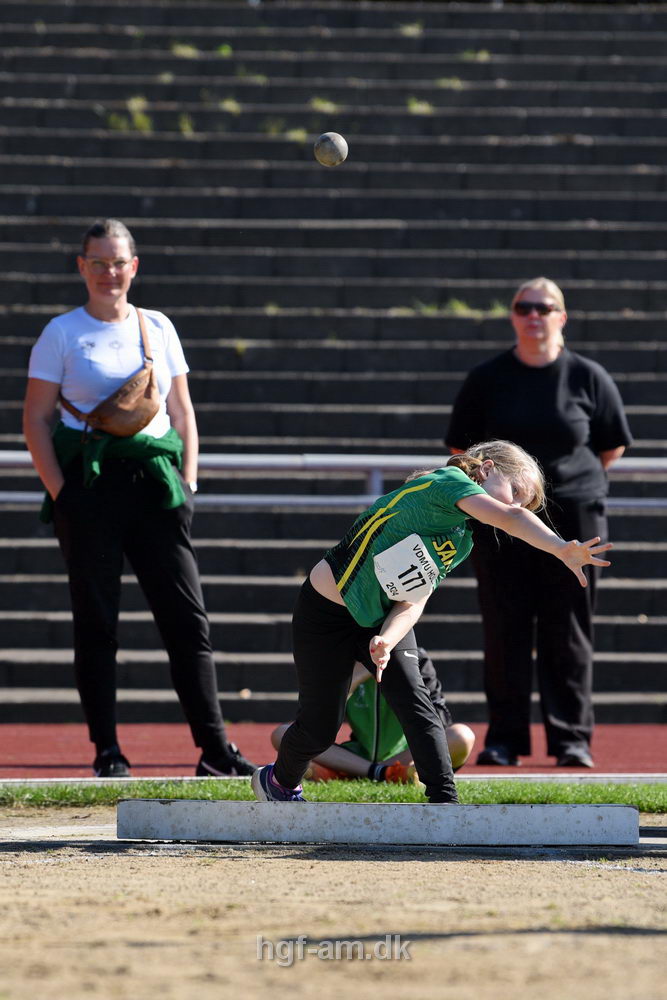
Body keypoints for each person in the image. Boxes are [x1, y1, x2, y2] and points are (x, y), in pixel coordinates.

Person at [251, 440, 612, 804]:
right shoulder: (446, 482)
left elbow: (414, 598)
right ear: (486, 469)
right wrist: (561, 548)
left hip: (380, 620)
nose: (516, 505)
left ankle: (445, 803)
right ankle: (277, 782)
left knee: (417, 705)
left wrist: (387, 640)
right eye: (515, 491)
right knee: (319, 727)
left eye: (524, 502)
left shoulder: (462, 540)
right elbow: (511, 518)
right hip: (325, 614)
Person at [22, 218, 256, 779]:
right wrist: (63, 493)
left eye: (118, 261)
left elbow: (183, 412)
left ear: (135, 266)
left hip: (157, 489)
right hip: (91, 488)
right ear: (82, 267)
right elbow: (35, 418)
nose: (109, 272)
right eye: (98, 262)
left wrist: (189, 483)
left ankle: (214, 750)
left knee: (187, 622)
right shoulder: (61, 333)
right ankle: (108, 752)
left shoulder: (157, 326)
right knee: (97, 625)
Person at [446, 277, 632, 769]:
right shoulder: (487, 378)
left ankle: (572, 740)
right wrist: (508, 501)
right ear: (513, 316)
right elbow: (461, 452)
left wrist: (557, 493)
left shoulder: (588, 377)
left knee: (568, 630)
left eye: (544, 307)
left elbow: (609, 446)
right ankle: (504, 739)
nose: (534, 315)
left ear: (561, 317)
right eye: (524, 307)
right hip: (501, 522)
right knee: (504, 629)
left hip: (575, 515)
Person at [270, 649, 476, 782]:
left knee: (462, 736)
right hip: (358, 753)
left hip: (407, 754)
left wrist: (400, 674)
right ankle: (385, 774)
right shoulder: (340, 661)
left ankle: (349, 773)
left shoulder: (415, 658)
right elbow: (317, 716)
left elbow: (439, 721)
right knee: (283, 733)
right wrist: (358, 675)